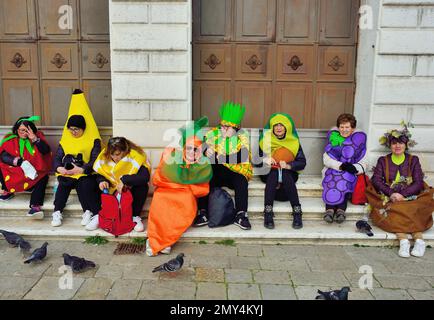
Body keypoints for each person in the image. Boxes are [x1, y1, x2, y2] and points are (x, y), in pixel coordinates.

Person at [146, 117, 212, 256]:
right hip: (166, 189)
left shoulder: (203, 162)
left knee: (185, 201)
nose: (191, 152)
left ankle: (167, 241)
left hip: (186, 193)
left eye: (195, 149)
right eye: (188, 148)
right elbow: (161, 176)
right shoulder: (172, 154)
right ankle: (155, 239)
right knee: (160, 199)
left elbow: (202, 185)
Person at [369, 123, 434, 258]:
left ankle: (419, 241)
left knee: (411, 208)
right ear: (390, 145)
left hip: (410, 195)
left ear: (406, 145)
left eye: (400, 143)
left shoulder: (413, 160)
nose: (397, 146)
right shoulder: (383, 160)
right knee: (394, 209)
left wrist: (403, 194)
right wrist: (391, 193)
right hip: (390, 195)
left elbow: (418, 181)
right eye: (394, 143)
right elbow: (376, 180)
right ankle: (403, 241)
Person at [194, 102, 253, 230]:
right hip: (218, 172)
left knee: (241, 181)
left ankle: (241, 214)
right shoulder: (213, 134)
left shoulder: (242, 137)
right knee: (206, 176)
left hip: (236, 172)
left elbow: (242, 156)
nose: (223, 129)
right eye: (222, 126)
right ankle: (202, 212)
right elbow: (201, 143)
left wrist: (220, 157)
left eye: (227, 127)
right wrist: (205, 149)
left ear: (235, 128)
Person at [51, 89, 102, 228]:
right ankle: (57, 211)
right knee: (63, 185)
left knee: (84, 185)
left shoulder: (93, 141)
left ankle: (88, 211)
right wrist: (59, 167)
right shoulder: (65, 141)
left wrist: (81, 169)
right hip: (68, 173)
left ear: (83, 129)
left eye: (76, 129)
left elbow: (95, 160)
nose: (73, 132)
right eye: (71, 129)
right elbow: (57, 157)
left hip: (85, 173)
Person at [91, 137, 151, 232]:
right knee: (89, 181)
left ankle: (134, 216)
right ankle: (98, 215)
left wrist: (125, 180)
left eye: (118, 154)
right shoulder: (104, 155)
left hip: (128, 190)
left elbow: (145, 177)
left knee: (142, 186)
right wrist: (102, 180)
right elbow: (99, 173)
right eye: (112, 155)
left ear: (125, 151)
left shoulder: (136, 156)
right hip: (111, 189)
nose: (115, 158)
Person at [258, 113, 307, 229]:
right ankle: (268, 212)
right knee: (274, 173)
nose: (278, 128)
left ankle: (297, 211)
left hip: (288, 173)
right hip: (269, 173)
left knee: (284, 172)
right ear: (272, 128)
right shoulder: (265, 141)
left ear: (286, 128)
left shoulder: (294, 142)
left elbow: (302, 162)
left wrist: (289, 165)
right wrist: (265, 159)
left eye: (281, 125)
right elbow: (256, 161)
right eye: (276, 125)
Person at [0, 116, 52, 219]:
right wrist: (18, 162)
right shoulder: (10, 138)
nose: (24, 133)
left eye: (27, 130)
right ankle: (8, 191)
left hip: (33, 176)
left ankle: (35, 207)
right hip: (16, 173)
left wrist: (34, 139)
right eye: (22, 130)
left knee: (44, 177)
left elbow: (46, 151)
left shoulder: (38, 137)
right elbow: (3, 156)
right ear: (17, 130)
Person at [322, 114, 367, 224]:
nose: (344, 130)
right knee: (333, 180)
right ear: (338, 127)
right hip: (333, 169)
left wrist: (354, 168)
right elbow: (326, 158)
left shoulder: (358, 141)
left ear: (353, 128)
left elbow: (364, 162)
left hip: (350, 171)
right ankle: (330, 210)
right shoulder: (334, 138)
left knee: (344, 181)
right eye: (341, 127)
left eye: (347, 127)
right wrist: (340, 166)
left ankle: (341, 211)